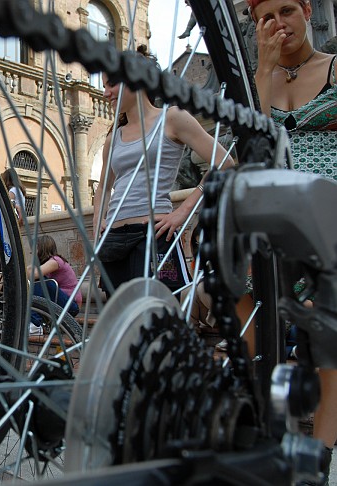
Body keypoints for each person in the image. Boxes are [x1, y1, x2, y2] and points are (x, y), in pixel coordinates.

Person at [248, 1, 336, 483]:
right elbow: (250, 146)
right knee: (235, 274)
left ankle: (317, 457)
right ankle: (266, 424)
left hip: (329, 210)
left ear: (307, 10)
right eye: (266, 18)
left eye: (288, 9)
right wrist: (262, 72)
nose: (279, 23)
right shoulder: (249, 83)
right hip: (273, 214)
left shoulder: (334, 69)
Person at [92, 45, 234, 299]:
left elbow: (224, 163)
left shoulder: (173, 118)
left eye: (111, 84)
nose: (105, 93)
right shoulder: (113, 136)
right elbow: (103, 185)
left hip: (153, 233)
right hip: (114, 238)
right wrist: (96, 229)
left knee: (158, 318)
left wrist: (182, 212)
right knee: (122, 322)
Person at [27, 235, 82, 336]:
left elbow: (33, 274)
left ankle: (35, 324)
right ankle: (31, 321)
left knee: (41, 281)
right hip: (62, 303)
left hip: (71, 306)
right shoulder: (47, 263)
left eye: (34, 248)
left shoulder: (55, 261)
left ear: (42, 248)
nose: (31, 252)